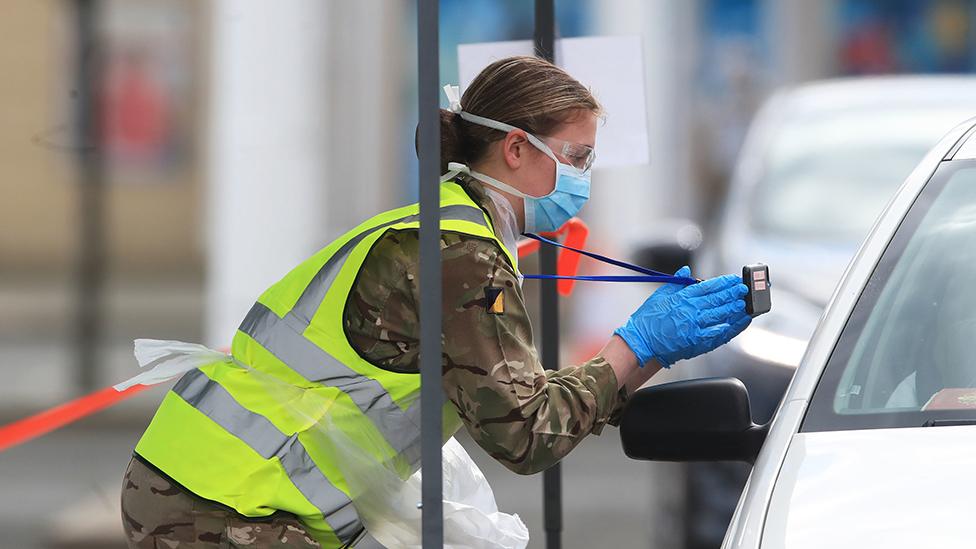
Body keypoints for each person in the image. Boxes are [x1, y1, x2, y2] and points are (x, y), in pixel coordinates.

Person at [120, 56, 751, 548]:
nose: (586, 175)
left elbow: (508, 401)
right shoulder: (461, 255)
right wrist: (637, 346)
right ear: (516, 149)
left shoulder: (447, 228)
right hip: (225, 499)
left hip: (210, 481)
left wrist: (644, 357)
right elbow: (523, 436)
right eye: (577, 156)